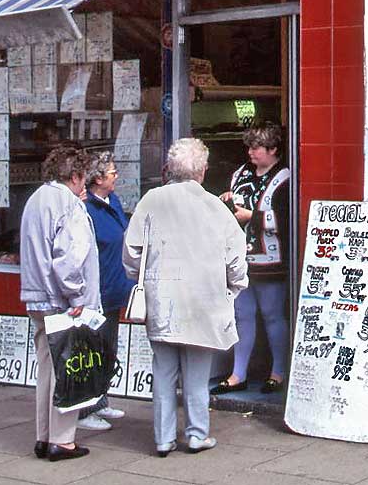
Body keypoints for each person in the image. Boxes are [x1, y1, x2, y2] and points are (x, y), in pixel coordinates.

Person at [123, 138, 248, 457]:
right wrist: (235, 287)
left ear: (170, 170)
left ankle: (163, 438)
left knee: (163, 370)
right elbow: (236, 259)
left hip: (162, 299)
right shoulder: (215, 206)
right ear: (203, 171)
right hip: (203, 301)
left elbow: (132, 250)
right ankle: (196, 434)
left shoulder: (152, 200)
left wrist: (142, 276)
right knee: (196, 373)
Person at [19, 145, 99, 463]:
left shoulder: (35, 199)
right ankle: (62, 440)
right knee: (69, 369)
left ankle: (43, 436)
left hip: (36, 296)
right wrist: (78, 296)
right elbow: (69, 259)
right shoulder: (70, 205)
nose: (85, 186)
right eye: (84, 178)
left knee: (47, 369)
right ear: (76, 175)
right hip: (61, 301)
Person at [211, 122, 291, 396]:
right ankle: (238, 373)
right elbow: (235, 208)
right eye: (249, 147)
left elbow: (287, 220)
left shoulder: (286, 178)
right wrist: (228, 201)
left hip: (271, 261)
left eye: (256, 148)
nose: (251, 152)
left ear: (273, 149)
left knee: (272, 316)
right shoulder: (240, 174)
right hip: (240, 259)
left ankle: (278, 371)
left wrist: (251, 217)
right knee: (241, 316)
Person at [76, 152, 132, 432]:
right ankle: (84, 409)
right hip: (96, 292)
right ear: (98, 179)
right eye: (112, 172)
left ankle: (100, 399)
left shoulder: (114, 202)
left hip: (115, 289)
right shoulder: (86, 208)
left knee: (108, 348)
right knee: (92, 350)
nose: (116, 176)